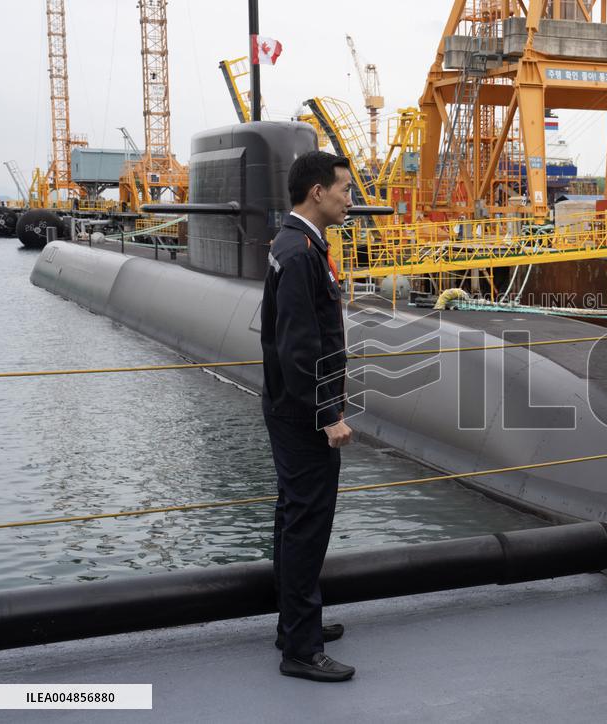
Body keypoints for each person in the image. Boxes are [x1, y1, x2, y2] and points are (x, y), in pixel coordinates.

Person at [261, 151, 356, 683]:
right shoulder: (300, 253)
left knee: (292, 518)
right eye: (343, 188)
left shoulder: (293, 244)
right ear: (316, 192)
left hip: (287, 405)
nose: (349, 198)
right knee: (307, 524)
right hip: (303, 413)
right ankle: (300, 646)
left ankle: (295, 624)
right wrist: (328, 415)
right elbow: (300, 344)